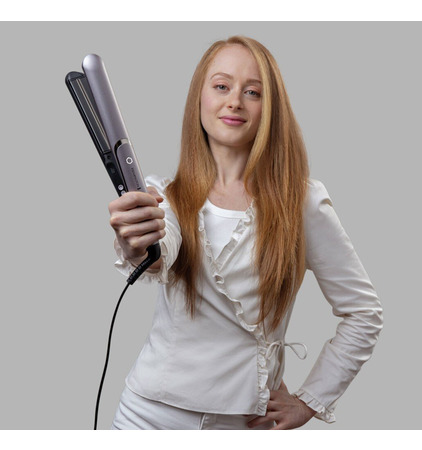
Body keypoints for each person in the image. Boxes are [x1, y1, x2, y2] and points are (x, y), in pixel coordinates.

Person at [107, 36, 383, 430]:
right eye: (222, 86)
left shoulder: (301, 202)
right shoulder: (164, 195)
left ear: (270, 109)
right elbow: (158, 254)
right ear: (199, 98)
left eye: (252, 92)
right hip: (146, 416)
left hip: (243, 424)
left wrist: (309, 401)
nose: (235, 101)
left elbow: (364, 313)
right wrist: (135, 243)